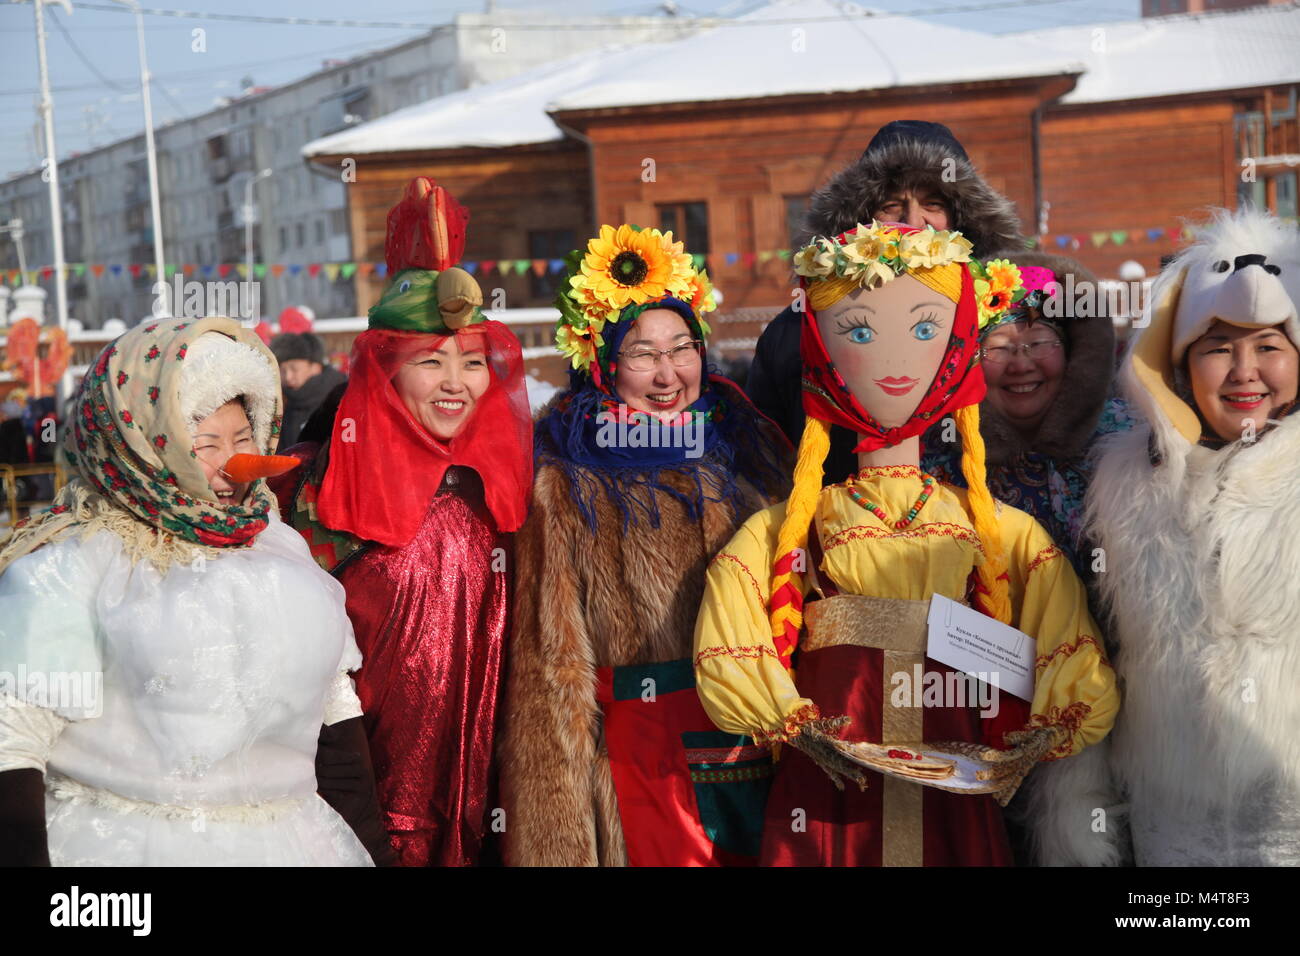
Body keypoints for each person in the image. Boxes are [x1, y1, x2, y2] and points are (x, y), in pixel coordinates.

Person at [694, 221, 1119, 866]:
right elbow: (731, 629)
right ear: (822, 358)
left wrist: (1048, 728)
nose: (893, 363)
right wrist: (791, 722)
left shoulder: (992, 527)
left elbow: (1062, 625)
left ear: (954, 352)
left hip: (956, 770)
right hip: (835, 770)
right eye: (859, 333)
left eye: (925, 331)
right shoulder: (789, 526)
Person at [0, 317, 389, 866]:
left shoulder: (279, 545)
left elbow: (336, 726)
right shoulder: (80, 562)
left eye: (242, 437)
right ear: (139, 444)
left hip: (292, 842)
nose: (234, 461)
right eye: (206, 444)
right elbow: (13, 744)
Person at [499, 223, 792, 866]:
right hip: (644, 776)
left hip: (771, 759)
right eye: (641, 354)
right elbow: (551, 680)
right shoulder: (565, 485)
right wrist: (561, 842)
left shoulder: (756, 458)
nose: (667, 375)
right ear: (602, 361)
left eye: (682, 348)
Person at [271, 177, 533, 866]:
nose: (457, 383)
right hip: (356, 787)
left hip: (496, 791)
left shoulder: (514, 487)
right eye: (430, 362)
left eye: (473, 362)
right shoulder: (309, 488)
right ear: (384, 371)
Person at [1087, 207, 1300, 866]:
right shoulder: (1123, 483)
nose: (1244, 372)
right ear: (1179, 365)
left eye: (1268, 346)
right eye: (1218, 348)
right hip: (1170, 813)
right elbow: (1101, 647)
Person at [747, 120, 1023, 484]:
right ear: (861, 218)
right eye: (892, 205)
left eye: (933, 204)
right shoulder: (797, 331)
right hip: (839, 526)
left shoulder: (1002, 321)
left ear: (961, 219)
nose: (913, 221)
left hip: (975, 523)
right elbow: (761, 457)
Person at [922, 251, 1134, 580]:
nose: (1021, 365)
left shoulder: (1127, 444)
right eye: (999, 347)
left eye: (1038, 344)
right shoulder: (938, 461)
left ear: (1072, 356)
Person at [270, 331, 347, 452]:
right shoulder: (282, 402)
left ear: (315, 367)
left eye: (294, 369)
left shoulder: (339, 398)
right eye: (283, 370)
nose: (288, 377)